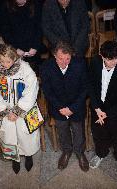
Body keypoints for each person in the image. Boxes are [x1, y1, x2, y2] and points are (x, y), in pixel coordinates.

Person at [0, 44, 41, 174]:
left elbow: (32, 90)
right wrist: (6, 110)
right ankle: (14, 159)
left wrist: (18, 110)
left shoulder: (25, 69)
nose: (4, 64)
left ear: (15, 59)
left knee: (26, 134)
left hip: (25, 108)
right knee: (9, 135)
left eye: (8, 61)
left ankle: (28, 156)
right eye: (1, 61)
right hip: (5, 110)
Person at [40, 41, 89, 172]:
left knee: (79, 131)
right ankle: (66, 151)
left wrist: (72, 108)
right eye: (61, 58)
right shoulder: (46, 67)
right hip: (58, 108)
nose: (64, 62)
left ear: (72, 56)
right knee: (62, 131)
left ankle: (80, 152)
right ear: (54, 55)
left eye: (68, 59)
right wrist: (60, 107)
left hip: (76, 107)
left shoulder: (80, 64)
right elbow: (47, 91)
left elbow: (85, 89)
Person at [88, 41, 117, 176]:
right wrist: (96, 108)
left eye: (116, 59)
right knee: (97, 130)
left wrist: (107, 114)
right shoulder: (95, 62)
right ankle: (101, 153)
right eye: (110, 59)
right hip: (99, 105)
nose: (114, 62)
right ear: (102, 56)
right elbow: (90, 84)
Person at [0, 0, 42, 74]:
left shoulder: (35, 5)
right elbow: (5, 31)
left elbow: (39, 28)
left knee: (31, 74)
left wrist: (35, 46)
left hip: (32, 48)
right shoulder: (6, 6)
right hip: (13, 47)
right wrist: (15, 48)